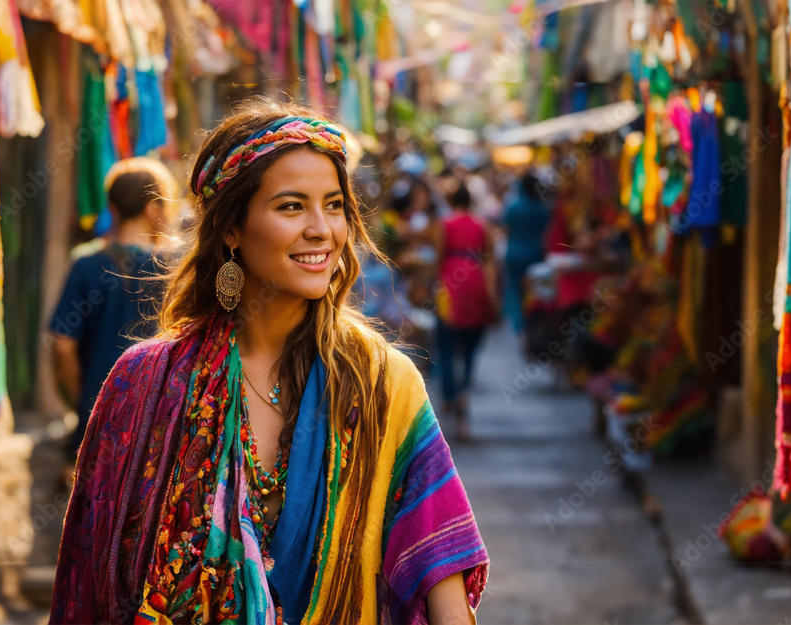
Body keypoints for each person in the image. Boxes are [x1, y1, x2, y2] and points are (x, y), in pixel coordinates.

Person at [50, 101, 488, 625]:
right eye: (290, 207)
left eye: (333, 205)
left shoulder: (381, 386)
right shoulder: (144, 383)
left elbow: (442, 580)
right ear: (232, 228)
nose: (322, 229)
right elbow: (89, 587)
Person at [48, 157, 178, 454]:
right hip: (159, 420)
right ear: (151, 208)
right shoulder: (174, 269)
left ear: (113, 208)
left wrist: (83, 399)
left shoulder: (86, 264)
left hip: (98, 417)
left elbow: (62, 345)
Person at [435, 183, 497, 442]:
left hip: (450, 282)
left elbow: (438, 256)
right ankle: (463, 393)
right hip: (476, 281)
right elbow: (490, 257)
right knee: (471, 347)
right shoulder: (483, 225)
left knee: (447, 346)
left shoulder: (444, 223)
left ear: (451, 201)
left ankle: (450, 396)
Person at [502, 172, 550, 334]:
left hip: (515, 253)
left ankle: (519, 323)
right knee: (533, 289)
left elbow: (506, 230)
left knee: (515, 288)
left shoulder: (513, 207)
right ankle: (531, 320)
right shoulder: (542, 207)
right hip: (535, 253)